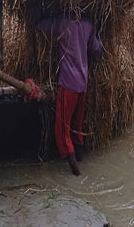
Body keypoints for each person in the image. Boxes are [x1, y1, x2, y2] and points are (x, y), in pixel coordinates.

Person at [34, 15, 102, 176]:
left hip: (68, 85)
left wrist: (35, 15)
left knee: (62, 131)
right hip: (83, 84)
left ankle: (76, 173)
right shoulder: (88, 24)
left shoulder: (62, 24)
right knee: (76, 127)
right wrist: (98, 32)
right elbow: (97, 49)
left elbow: (41, 26)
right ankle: (80, 159)